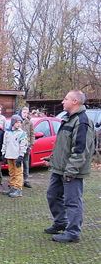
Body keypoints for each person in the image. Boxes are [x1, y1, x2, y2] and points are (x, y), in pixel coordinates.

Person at [44, 90, 95, 243]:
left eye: (66, 99)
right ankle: (61, 222)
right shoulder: (68, 119)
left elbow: (80, 150)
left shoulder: (82, 121)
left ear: (75, 102)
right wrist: (52, 159)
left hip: (72, 171)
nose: (62, 101)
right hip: (59, 169)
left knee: (72, 201)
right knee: (52, 195)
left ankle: (73, 232)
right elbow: (63, 145)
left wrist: (71, 171)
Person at [1, 115, 28, 198]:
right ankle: (12, 187)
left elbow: (23, 145)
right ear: (13, 123)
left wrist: (21, 156)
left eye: (20, 122)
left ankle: (18, 189)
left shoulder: (22, 133)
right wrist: (3, 153)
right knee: (11, 172)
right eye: (17, 122)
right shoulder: (7, 132)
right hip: (9, 155)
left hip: (17, 157)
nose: (19, 124)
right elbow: (4, 143)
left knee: (18, 173)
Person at [19, 107, 35, 188]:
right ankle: (18, 180)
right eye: (24, 112)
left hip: (27, 146)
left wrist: (31, 144)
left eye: (27, 113)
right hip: (18, 147)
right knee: (18, 163)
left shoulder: (30, 123)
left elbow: (32, 134)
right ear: (21, 112)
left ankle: (26, 180)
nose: (25, 114)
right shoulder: (18, 121)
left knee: (26, 163)